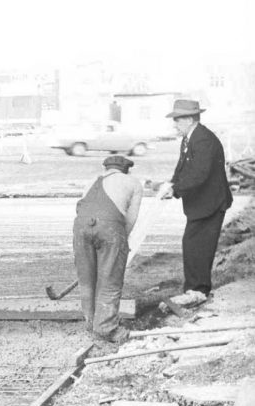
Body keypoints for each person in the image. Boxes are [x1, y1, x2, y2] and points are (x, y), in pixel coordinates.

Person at [159, 98, 233, 301]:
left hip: (211, 203)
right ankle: (194, 289)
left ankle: (198, 290)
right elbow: (183, 167)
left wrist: (175, 190)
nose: (174, 124)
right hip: (201, 204)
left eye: (178, 120)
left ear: (190, 118)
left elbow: (199, 174)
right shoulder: (189, 138)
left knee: (198, 244)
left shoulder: (203, 139)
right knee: (192, 243)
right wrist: (171, 184)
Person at [73, 154, 144, 345]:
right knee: (110, 279)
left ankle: (90, 323)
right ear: (125, 170)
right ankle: (105, 327)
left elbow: (80, 209)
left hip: (81, 227)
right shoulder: (133, 183)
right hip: (111, 227)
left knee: (87, 279)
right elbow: (130, 219)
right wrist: (122, 242)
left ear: (106, 169)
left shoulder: (91, 181)